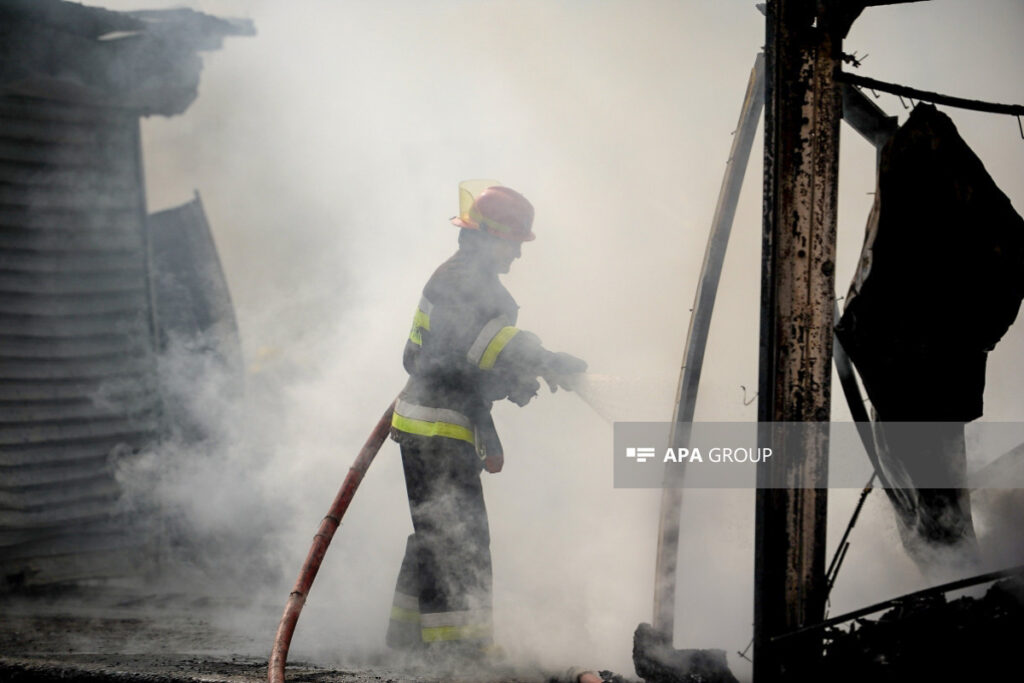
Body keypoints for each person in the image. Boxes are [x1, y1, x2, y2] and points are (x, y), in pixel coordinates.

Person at [385, 180, 587, 661]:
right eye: (514, 243)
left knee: (436, 532)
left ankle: (408, 640)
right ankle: (459, 653)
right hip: (439, 428)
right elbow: (482, 345)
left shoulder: (454, 277)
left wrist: (506, 380)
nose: (517, 255)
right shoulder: (467, 284)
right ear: (491, 236)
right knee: (459, 539)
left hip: (429, 422)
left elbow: (433, 356)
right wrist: (544, 359)